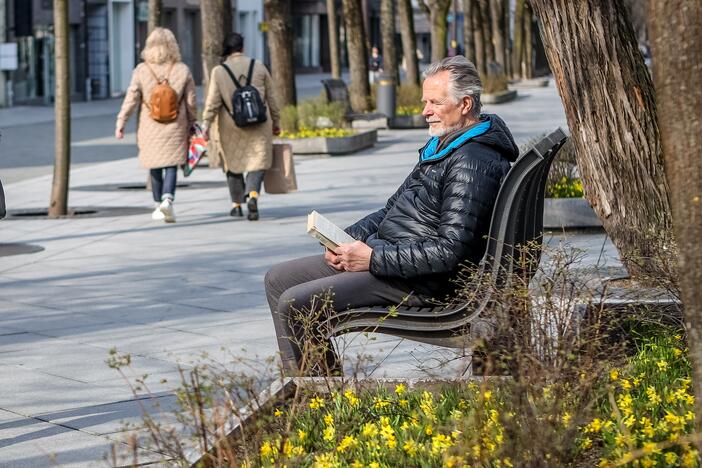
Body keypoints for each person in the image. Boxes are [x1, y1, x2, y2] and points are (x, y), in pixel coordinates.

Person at [265, 56, 519, 375]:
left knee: (296, 302)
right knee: (278, 279)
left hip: (420, 282)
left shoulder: (471, 161)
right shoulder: (446, 147)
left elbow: (450, 251)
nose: (425, 110)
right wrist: (345, 240)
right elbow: (391, 209)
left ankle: (316, 399)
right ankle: (305, 387)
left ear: (465, 104)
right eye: (425, 101)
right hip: (394, 261)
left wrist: (372, 259)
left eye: (435, 103)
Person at [116, 27, 197, 223]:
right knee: (171, 164)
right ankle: (168, 199)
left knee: (154, 164)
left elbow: (131, 98)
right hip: (176, 124)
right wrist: (193, 121)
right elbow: (191, 101)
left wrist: (121, 122)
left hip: (149, 125)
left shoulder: (142, 70)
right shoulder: (182, 69)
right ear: (173, 46)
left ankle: (157, 205)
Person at [201, 33, 281, 221]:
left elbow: (212, 102)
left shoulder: (219, 72)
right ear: (242, 48)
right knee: (258, 161)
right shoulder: (259, 66)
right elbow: (272, 98)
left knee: (233, 163)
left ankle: (236, 205)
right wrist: (276, 122)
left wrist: (205, 124)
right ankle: (252, 194)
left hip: (230, 125)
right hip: (259, 125)